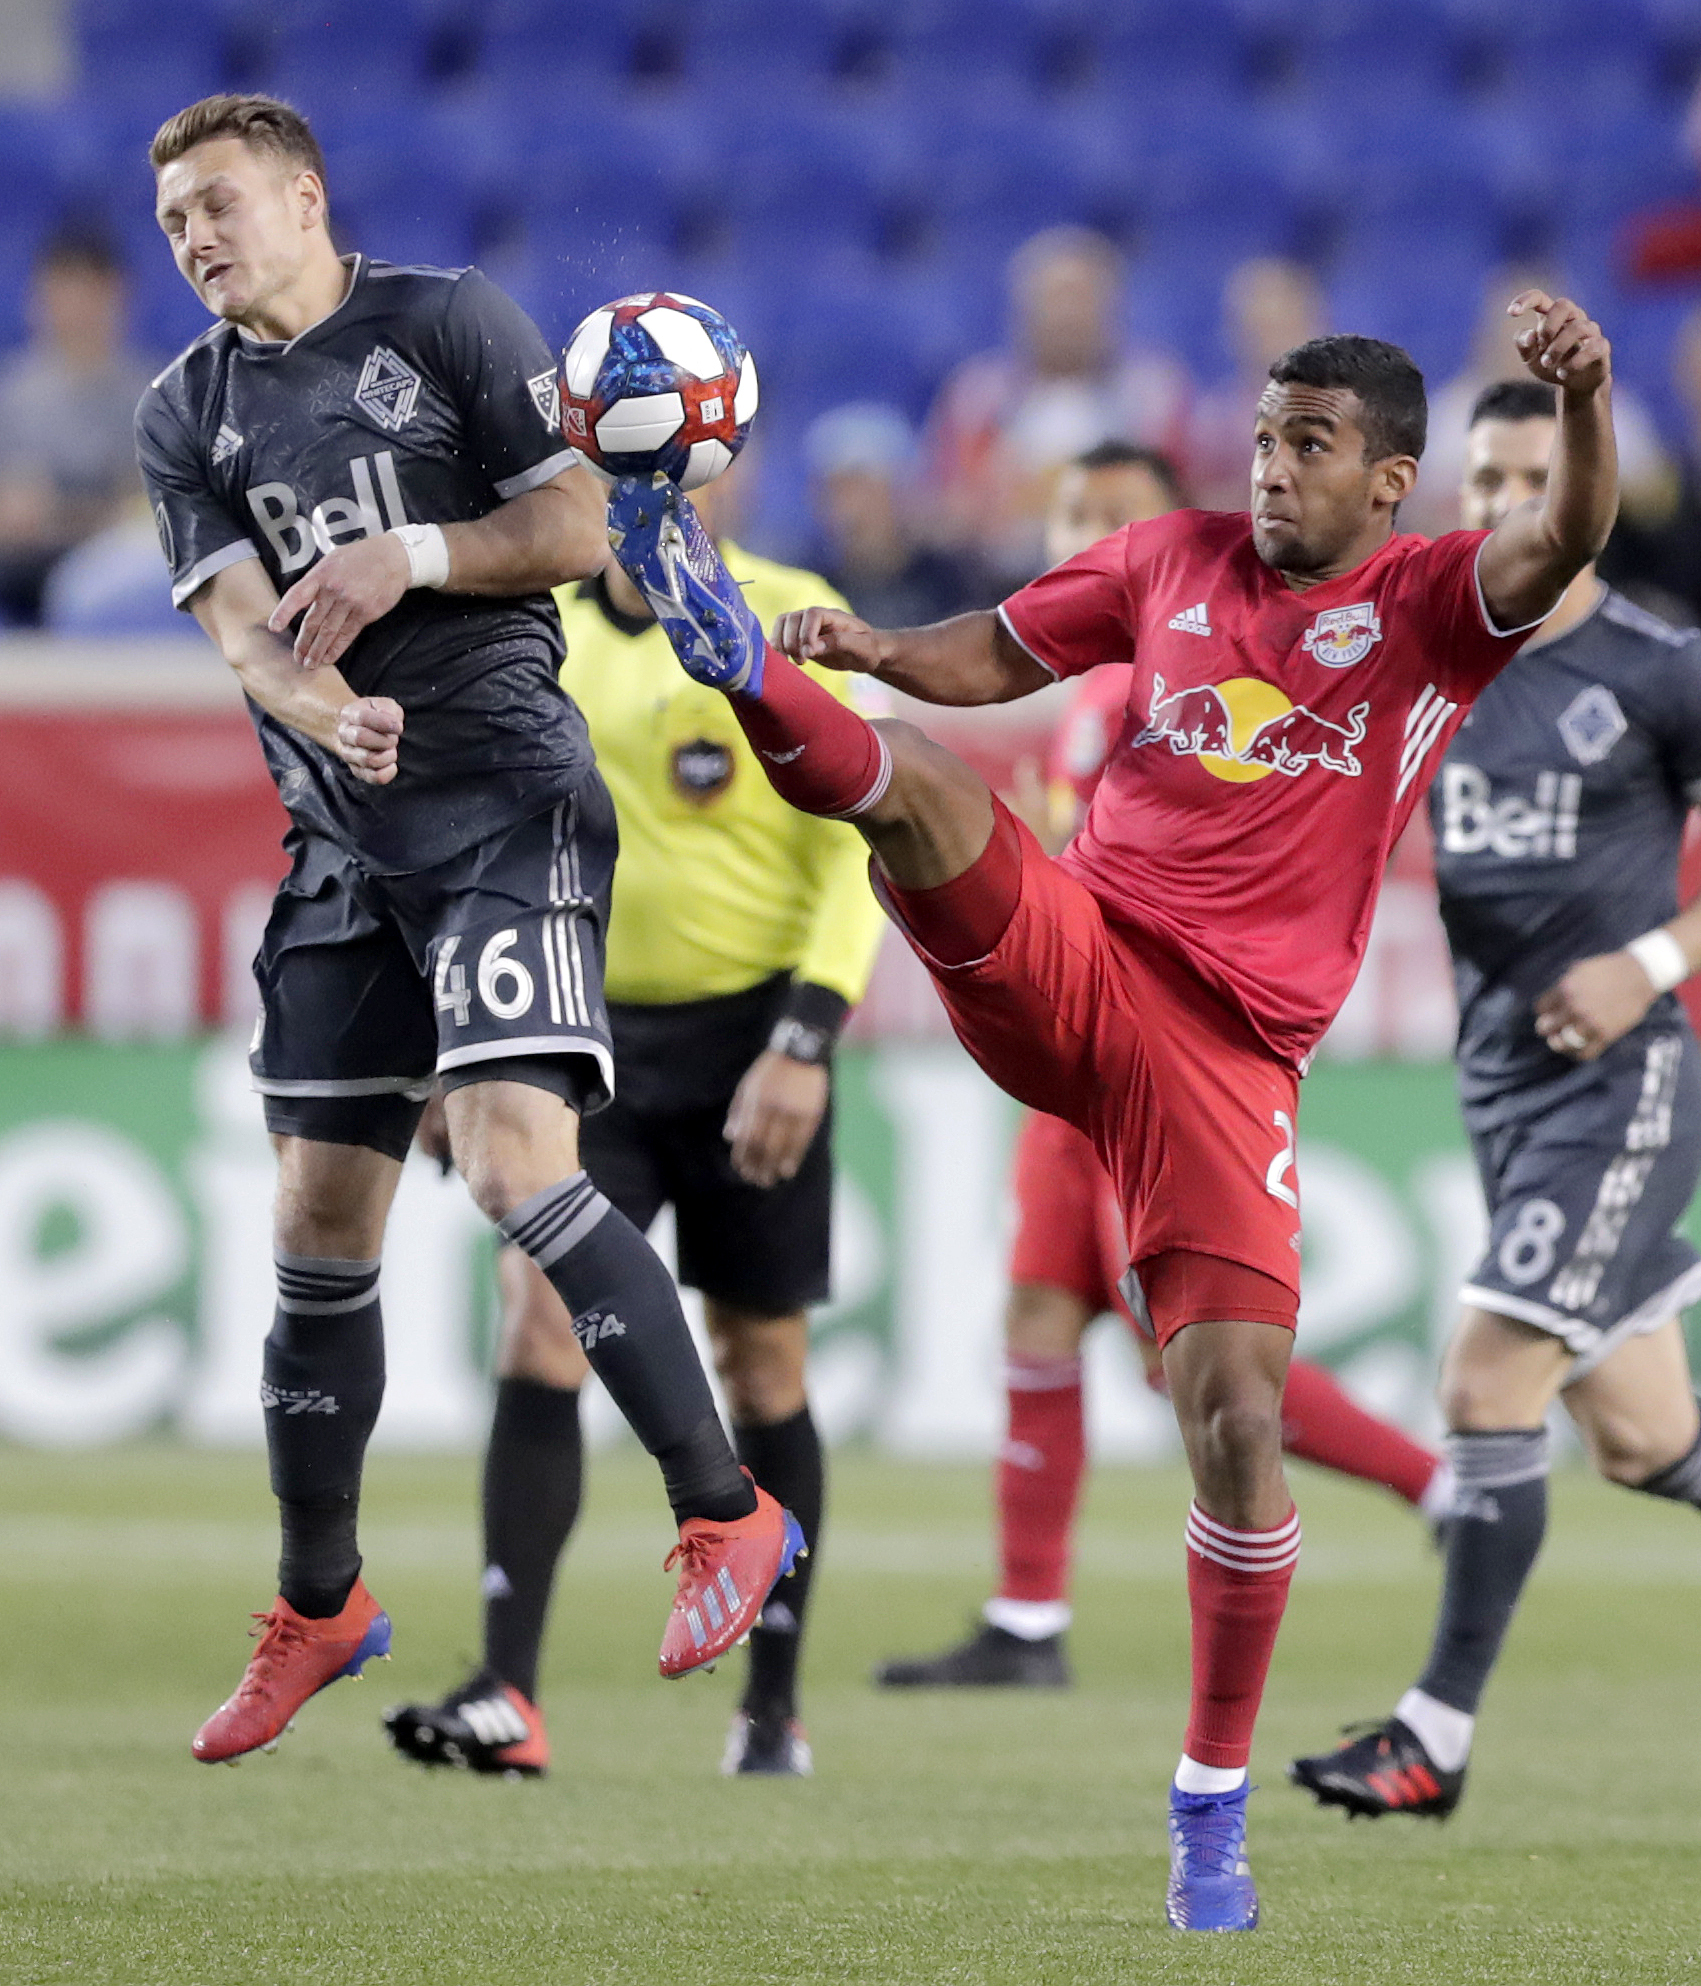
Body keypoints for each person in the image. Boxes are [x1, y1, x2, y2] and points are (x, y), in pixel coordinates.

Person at [602, 290, 1618, 1932]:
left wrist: (1583, 405)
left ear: (1392, 481)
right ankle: (734, 663)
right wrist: (864, 649)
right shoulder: (1169, 560)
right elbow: (1000, 650)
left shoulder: (1434, 600)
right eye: (1268, 436)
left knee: (1228, 1409)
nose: (1276, 470)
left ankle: (1208, 1802)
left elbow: (1565, 533)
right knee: (917, 771)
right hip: (1081, 953)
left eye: (1314, 446)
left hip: (1225, 1061)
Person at [134, 94, 798, 1769]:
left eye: (218, 203)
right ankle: (321, 1600)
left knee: (513, 1166)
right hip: (340, 837)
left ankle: (726, 1510)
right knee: (315, 1223)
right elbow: (237, 631)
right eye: (169, 224)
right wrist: (317, 696)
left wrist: (405, 554)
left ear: (303, 196)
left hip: (503, 792)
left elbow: (580, 528)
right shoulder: (181, 412)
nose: (195, 238)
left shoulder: (445, 322)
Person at [876, 442, 1453, 1692]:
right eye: (1071, 510)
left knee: (1182, 1361)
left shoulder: (1202, 670)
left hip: (1166, 1052)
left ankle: (1437, 1487)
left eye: (1108, 517)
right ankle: (1027, 1617)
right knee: (1034, 1310)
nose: (1081, 534)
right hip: (1077, 1027)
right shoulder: (1095, 696)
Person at [383, 471, 885, 1779]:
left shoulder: (792, 617)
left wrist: (805, 1039)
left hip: (749, 1044)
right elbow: (464, 834)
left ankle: (770, 1703)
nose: (658, 493)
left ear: (732, 471)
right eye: (617, 467)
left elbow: (859, 846)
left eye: (685, 463)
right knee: (537, 1316)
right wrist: (460, 1041)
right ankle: (508, 1690)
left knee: (760, 1360)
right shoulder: (528, 628)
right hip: (575, 1027)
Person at [1290, 380, 1701, 1823]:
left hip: (1622, 1079)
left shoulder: (1659, 666)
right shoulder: (1423, 665)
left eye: (1534, 477)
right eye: (1480, 480)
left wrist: (1648, 965)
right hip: (1499, 1085)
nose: (1503, 506)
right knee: (1647, 1439)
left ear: (1582, 488)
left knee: (1482, 1381)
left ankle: (1431, 1737)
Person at [920, 226, 1191, 591]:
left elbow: (1185, 503)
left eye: (1080, 298)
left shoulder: (1153, 394)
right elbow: (942, 504)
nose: (1066, 316)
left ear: (1111, 307)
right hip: (1001, 585)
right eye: (1053, 299)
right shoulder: (978, 396)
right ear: (1023, 309)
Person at [1405, 264, 1665, 538]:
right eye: (1513, 323)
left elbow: (1655, 504)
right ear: (1487, 331)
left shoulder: (1607, 405)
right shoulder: (1452, 412)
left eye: (1542, 324)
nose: (1527, 337)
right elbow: (1416, 509)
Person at [0, 229, 156, 623]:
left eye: (91, 292)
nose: (77, 309)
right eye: (65, 291)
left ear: (118, 296)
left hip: (121, 568)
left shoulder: (155, 395)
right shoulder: (12, 397)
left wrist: (56, 512)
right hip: (21, 571)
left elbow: (148, 513)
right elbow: (15, 517)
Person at [804, 402, 983, 627]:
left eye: (863, 486)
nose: (850, 504)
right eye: (837, 488)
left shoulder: (948, 582)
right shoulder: (812, 586)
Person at [1187, 259, 1327, 513]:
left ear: (1311, 324)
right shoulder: (1215, 419)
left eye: (1281, 323)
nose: (1269, 339)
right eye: (1258, 325)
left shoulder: (1343, 414)